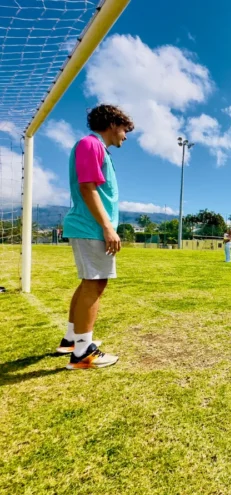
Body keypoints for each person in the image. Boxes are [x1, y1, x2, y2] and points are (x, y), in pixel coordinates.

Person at [58, 104, 134, 369]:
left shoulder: (97, 148)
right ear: (113, 124)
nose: (125, 135)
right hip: (91, 227)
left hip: (89, 227)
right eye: (125, 129)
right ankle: (82, 353)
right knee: (95, 284)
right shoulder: (90, 144)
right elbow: (88, 187)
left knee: (88, 282)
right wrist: (107, 227)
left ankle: (71, 339)